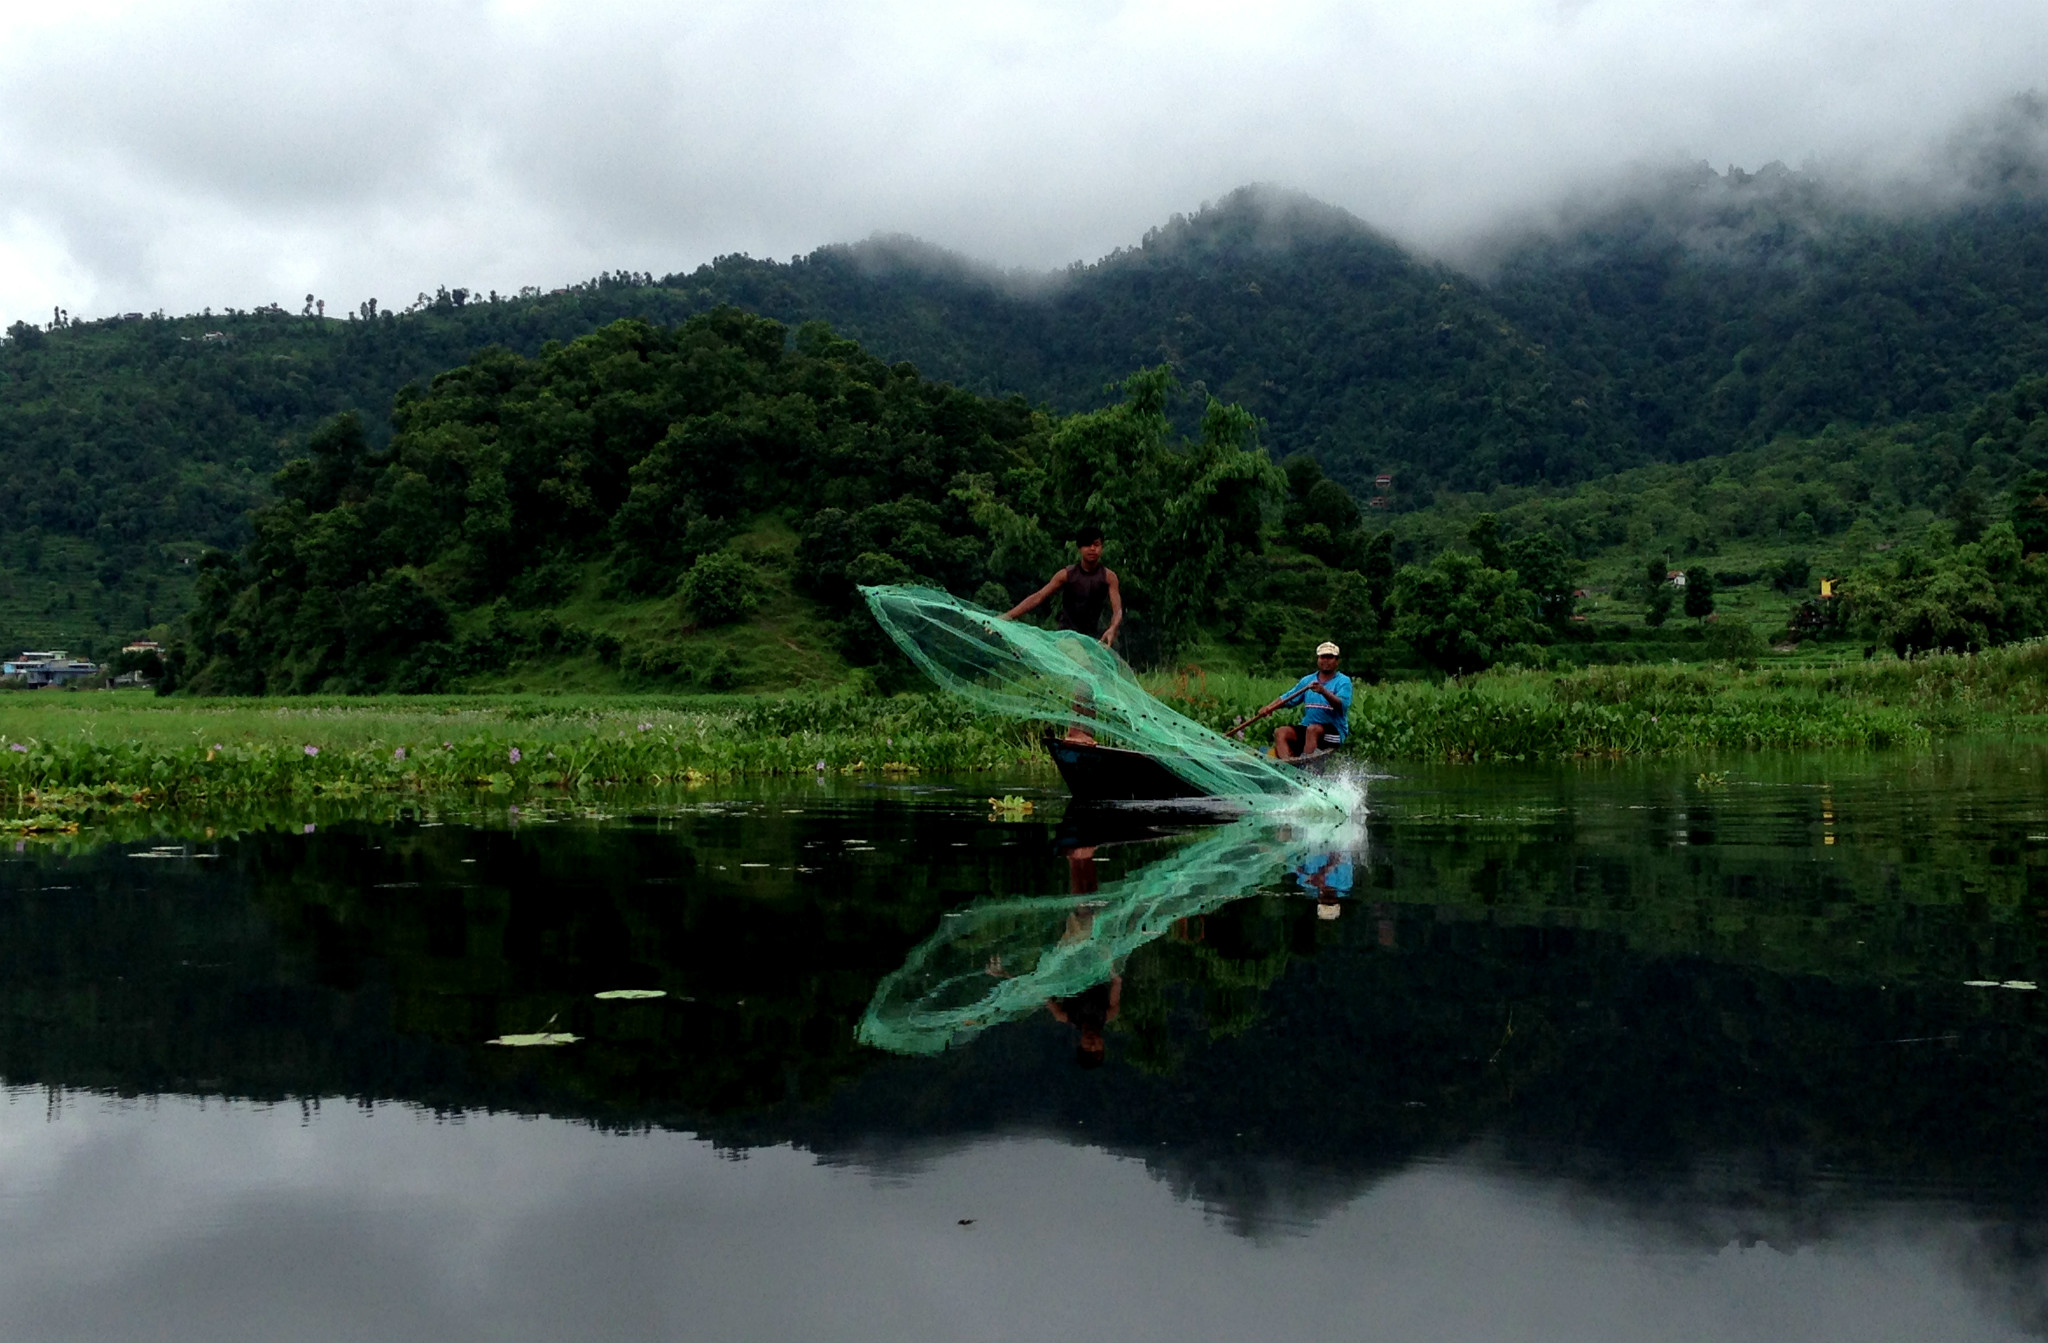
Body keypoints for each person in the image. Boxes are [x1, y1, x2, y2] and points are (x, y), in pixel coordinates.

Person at [1002, 525, 1124, 743]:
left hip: (1090, 640)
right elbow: (1038, 597)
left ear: (1102, 548)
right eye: (1087, 545)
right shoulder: (1067, 575)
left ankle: (1087, 733)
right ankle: (1074, 731)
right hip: (1067, 637)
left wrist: (1112, 628)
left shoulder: (1108, 577)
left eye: (1096, 545)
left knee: (1093, 679)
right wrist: (1006, 617)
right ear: (1079, 549)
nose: (1092, 549)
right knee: (1085, 671)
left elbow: (1117, 610)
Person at [1262, 641, 1352, 760]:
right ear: (1318, 659)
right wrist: (1269, 708)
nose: (1325, 660)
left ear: (1336, 661)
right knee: (1281, 732)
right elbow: (1288, 697)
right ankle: (1287, 765)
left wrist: (1323, 691)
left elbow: (1342, 706)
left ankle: (1307, 765)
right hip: (1308, 729)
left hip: (1333, 732)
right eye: (1322, 657)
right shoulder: (1307, 680)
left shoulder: (1343, 681)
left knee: (1313, 729)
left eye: (1330, 657)